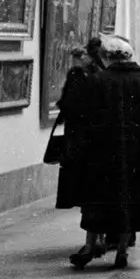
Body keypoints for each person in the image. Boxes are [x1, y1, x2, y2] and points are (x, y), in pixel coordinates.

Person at [71, 35, 140, 270]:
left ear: (106, 57)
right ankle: (122, 251)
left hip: (103, 153)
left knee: (97, 199)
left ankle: (90, 247)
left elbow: (84, 117)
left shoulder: (97, 81)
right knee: (130, 200)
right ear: (129, 56)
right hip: (137, 153)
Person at [55, 43, 101, 260]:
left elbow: (68, 104)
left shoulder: (78, 75)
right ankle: (102, 238)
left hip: (80, 141)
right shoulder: (105, 75)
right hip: (101, 142)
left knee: (86, 192)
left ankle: (92, 241)